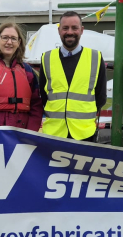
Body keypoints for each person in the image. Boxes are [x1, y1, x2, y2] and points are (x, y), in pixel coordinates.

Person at [39, 11, 107, 141]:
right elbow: (43, 95)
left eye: (74, 28)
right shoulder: (46, 58)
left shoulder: (95, 58)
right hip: (54, 133)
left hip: (85, 134)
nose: (70, 32)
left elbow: (101, 97)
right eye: (65, 28)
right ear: (59, 30)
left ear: (81, 30)